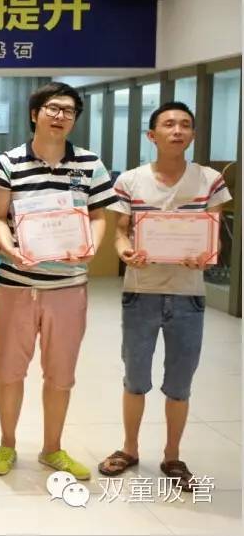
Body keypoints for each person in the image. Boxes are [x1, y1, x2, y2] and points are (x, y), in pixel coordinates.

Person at [98, 101, 231, 490]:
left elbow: (214, 233)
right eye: (169, 124)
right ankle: (129, 448)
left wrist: (206, 255)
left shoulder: (209, 180)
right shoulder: (131, 181)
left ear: (193, 134)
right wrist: (125, 252)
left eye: (185, 125)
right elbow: (120, 230)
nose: (177, 130)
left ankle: (173, 456)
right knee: (135, 378)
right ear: (152, 135)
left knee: (179, 383)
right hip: (140, 292)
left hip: (188, 295)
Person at [0, 82, 116, 480]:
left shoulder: (90, 164)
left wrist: (92, 248)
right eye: (52, 108)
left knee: (61, 376)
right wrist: (10, 249)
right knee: (9, 371)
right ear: (35, 114)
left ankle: (52, 448)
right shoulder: (8, 162)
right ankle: (7, 444)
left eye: (68, 111)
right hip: (16, 285)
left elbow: (98, 216)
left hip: (68, 287)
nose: (60, 116)